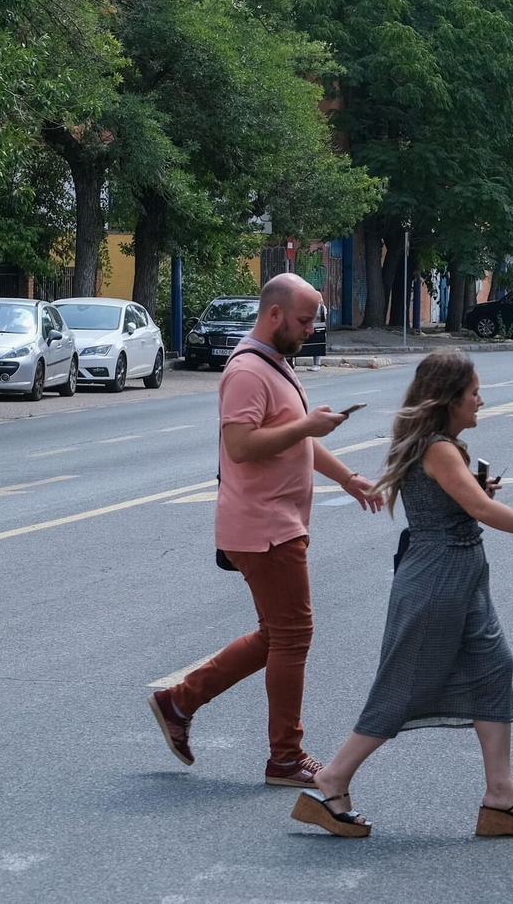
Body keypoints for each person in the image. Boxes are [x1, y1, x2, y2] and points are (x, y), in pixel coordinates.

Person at [289, 351, 513, 839]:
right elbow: (478, 510)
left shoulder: (440, 446)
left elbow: (464, 503)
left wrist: (477, 491)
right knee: (405, 685)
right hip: (437, 578)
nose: (480, 401)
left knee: (495, 667)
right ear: (450, 399)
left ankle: (500, 795)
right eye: (473, 393)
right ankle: (333, 779)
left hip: (462, 575)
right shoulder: (439, 448)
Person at [149, 273, 383, 787]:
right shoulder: (248, 372)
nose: (309, 329)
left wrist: (348, 478)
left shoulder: (277, 365)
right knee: (293, 637)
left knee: (276, 635)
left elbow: (293, 438)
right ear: (274, 314)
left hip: (277, 522)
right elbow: (242, 445)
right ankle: (285, 757)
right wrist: (306, 425)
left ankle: (179, 701)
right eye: (303, 320)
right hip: (264, 526)